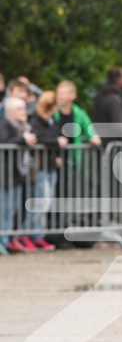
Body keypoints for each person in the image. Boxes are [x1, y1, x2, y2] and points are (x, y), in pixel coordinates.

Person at [29, 91, 69, 251]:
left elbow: (56, 136)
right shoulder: (36, 121)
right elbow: (39, 139)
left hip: (51, 166)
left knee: (46, 202)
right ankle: (35, 235)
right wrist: (56, 142)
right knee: (41, 203)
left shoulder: (53, 120)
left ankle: (39, 235)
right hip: (40, 167)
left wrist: (58, 154)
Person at [0, 97, 37, 252]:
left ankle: (8, 240)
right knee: (5, 210)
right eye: (20, 109)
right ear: (10, 112)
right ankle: (3, 241)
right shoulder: (4, 125)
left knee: (13, 209)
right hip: (5, 175)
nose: (24, 112)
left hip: (18, 174)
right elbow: (3, 141)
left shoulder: (24, 127)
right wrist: (23, 139)